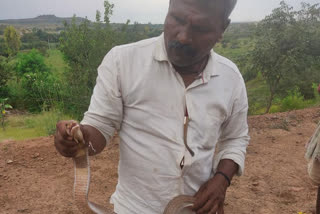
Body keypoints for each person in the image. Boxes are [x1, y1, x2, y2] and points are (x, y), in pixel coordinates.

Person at [54, 0, 250, 213]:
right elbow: (100, 125)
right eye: (177, 19)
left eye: (200, 28)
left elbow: (235, 138)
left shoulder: (230, 78)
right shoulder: (122, 62)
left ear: (222, 28)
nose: (183, 37)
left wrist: (221, 180)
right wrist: (79, 140)